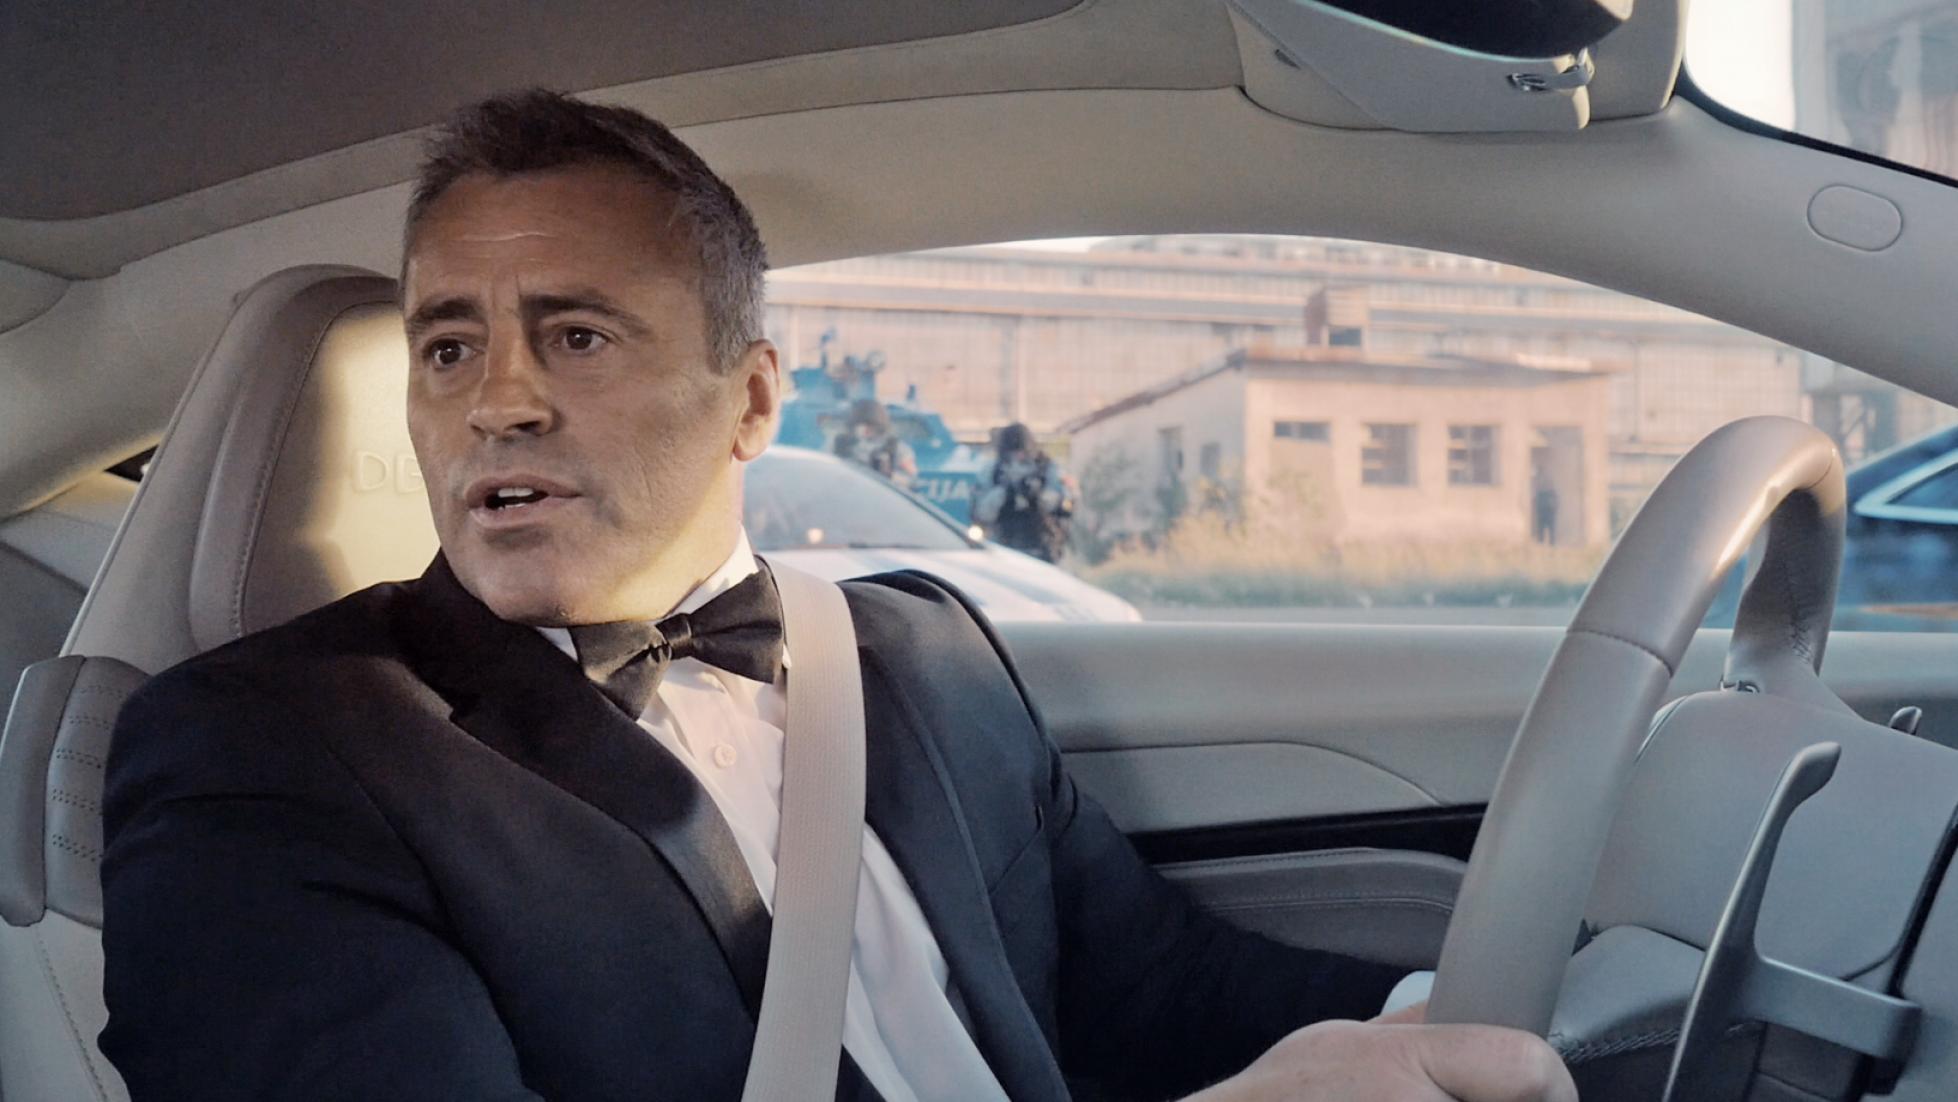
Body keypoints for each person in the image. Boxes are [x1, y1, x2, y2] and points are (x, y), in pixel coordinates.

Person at [98, 90, 1574, 1102]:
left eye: (577, 335)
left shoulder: (921, 649)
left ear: (750, 401)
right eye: (448, 349)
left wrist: (1451, 1022)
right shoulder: (262, 750)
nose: (500, 402)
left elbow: (1151, 982)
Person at [975, 422, 1074, 563]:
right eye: (1013, 453)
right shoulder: (992, 471)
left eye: (1023, 453)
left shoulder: (1047, 468)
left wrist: (1037, 494)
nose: (1019, 457)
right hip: (1002, 547)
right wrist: (1005, 492)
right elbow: (981, 512)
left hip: (1044, 545)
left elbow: (1063, 504)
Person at [834, 396, 918, 489]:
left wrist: (889, 475)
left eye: (870, 426)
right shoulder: (839, 445)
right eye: (860, 426)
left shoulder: (896, 448)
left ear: (879, 426)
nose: (865, 430)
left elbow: (912, 481)